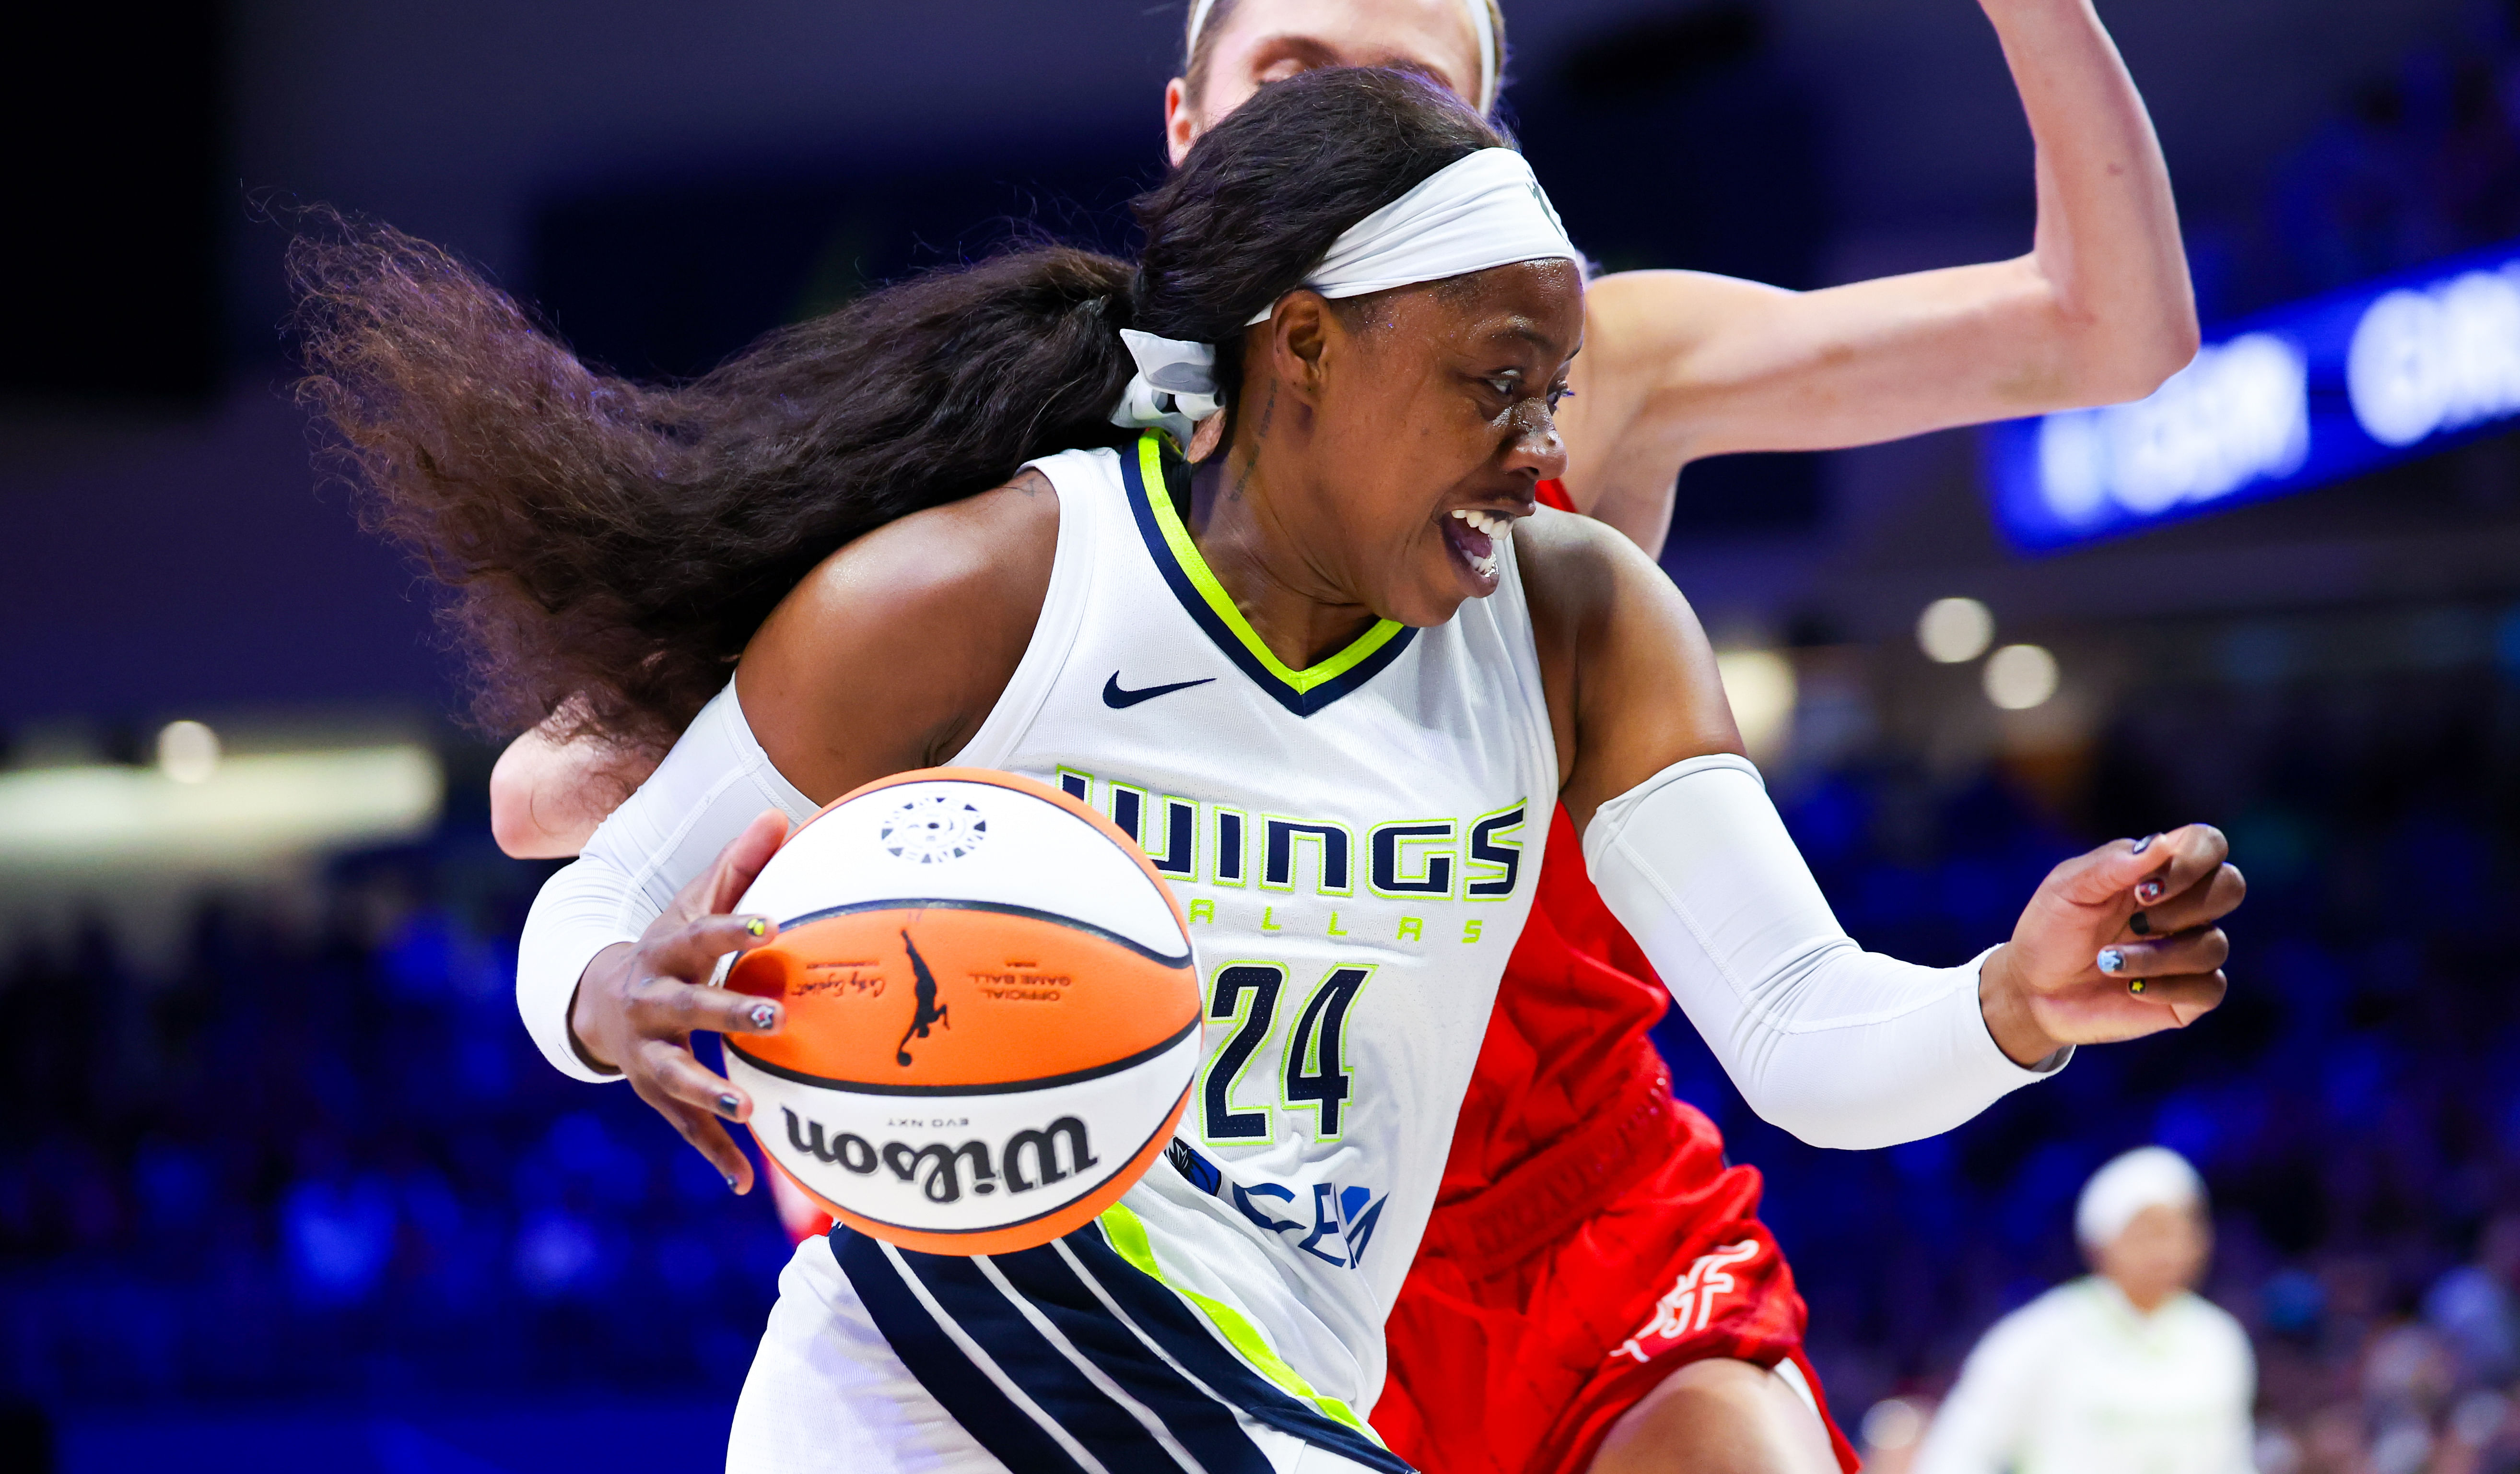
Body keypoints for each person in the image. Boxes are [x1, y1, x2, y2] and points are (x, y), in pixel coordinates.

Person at [299, 68, 2240, 1474]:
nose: (1531, 443)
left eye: (1550, 393)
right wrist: (601, 993)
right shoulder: (992, 583)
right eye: (1488, 383)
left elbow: (1802, 1037)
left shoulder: (1577, 622)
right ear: (1299, 349)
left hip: (1277, 1403)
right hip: (931, 1377)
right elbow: (602, 894)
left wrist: (2009, 999)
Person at [1912, 1146, 2255, 1474]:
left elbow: (2233, 1461)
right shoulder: (2041, 1335)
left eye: (2184, 1229)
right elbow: (1956, 1455)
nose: (2169, 1248)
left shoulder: (2219, 1339)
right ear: (2100, 1241)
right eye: (2150, 1232)